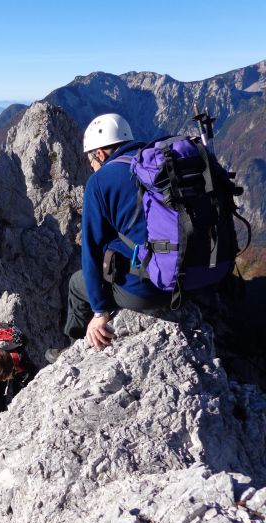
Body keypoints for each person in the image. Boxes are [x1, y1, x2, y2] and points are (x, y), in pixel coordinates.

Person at [46, 113, 170, 363]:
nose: (90, 166)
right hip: (192, 278)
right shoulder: (158, 162)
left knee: (76, 283)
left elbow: (91, 250)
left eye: (90, 159)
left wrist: (100, 311)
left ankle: (75, 348)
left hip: (150, 291)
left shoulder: (101, 181)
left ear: (100, 154)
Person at [0, 347, 38, 419]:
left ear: (12, 369)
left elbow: (35, 373)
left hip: (18, 372)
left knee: (18, 393)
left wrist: (24, 384)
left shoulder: (22, 362)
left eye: (5, 378)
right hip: (7, 371)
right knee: (0, 395)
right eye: (2, 379)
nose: (4, 381)